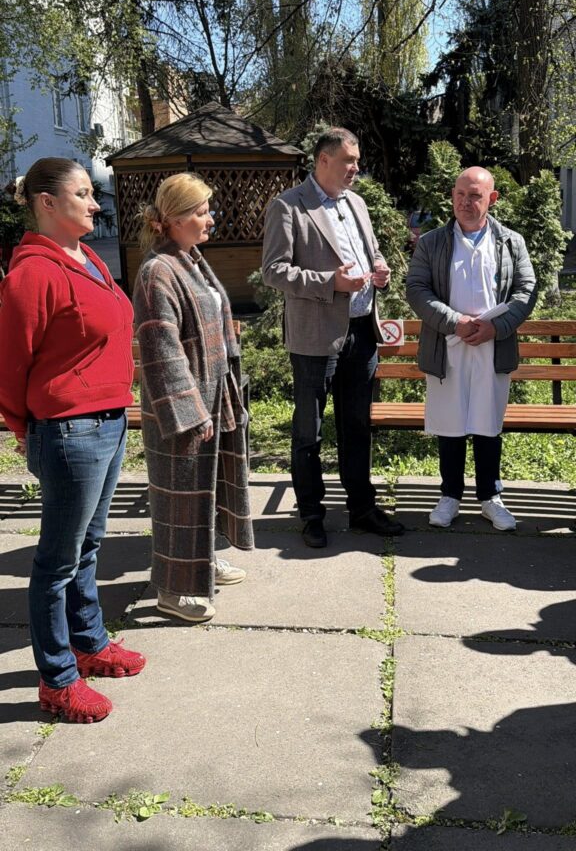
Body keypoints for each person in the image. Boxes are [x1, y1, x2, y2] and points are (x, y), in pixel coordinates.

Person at [0, 158, 145, 724]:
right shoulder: (33, 273)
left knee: (88, 547)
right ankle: (58, 680)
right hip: (69, 430)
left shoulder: (87, 259)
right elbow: (10, 364)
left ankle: (90, 644)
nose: (94, 203)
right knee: (57, 562)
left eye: (92, 193)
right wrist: (25, 427)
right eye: (82, 193)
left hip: (108, 421)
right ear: (47, 203)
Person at [262, 127, 404, 548]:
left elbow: (372, 251)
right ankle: (311, 515)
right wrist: (330, 282)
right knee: (309, 431)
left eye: (357, 161)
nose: (356, 168)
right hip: (315, 337)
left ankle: (362, 508)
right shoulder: (289, 206)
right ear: (323, 160)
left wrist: (380, 271)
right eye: (348, 161)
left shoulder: (356, 203)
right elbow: (274, 271)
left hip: (362, 331)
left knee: (357, 425)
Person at [132, 173, 254, 623]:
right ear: (176, 218)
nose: (210, 219)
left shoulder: (190, 260)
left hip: (212, 394)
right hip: (182, 407)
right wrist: (189, 411)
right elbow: (160, 349)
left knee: (206, 489)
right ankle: (172, 591)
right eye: (202, 212)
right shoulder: (157, 272)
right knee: (179, 498)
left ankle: (201, 564)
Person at [406, 166, 537, 531]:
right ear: (452, 196)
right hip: (447, 343)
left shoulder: (511, 242)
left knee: (487, 422)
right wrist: (455, 322)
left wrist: (497, 326)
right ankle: (449, 496)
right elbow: (416, 289)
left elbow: (526, 289)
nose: (465, 202)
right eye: (460, 194)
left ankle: (490, 497)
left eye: (475, 196)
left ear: (492, 199)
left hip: (493, 344)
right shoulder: (432, 242)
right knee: (450, 422)